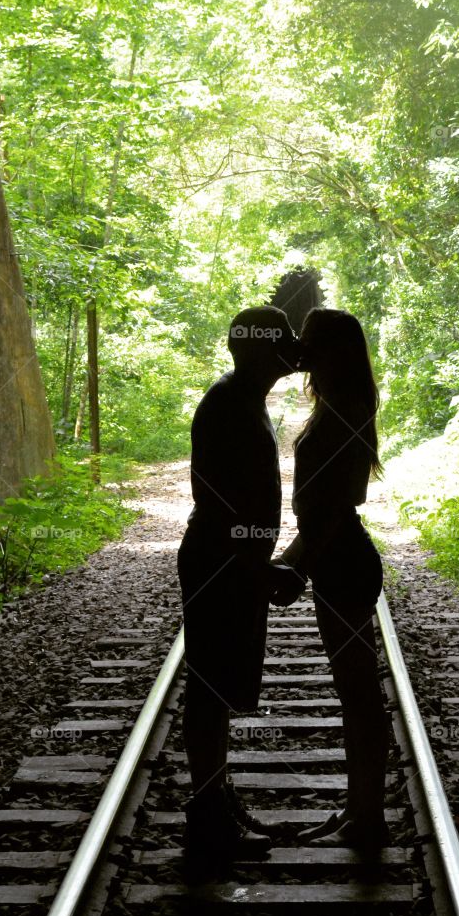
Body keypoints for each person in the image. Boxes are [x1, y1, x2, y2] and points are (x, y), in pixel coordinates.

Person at [177, 305, 300, 859]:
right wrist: (252, 564)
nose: (289, 353)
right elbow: (217, 500)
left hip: (228, 564)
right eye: (280, 344)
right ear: (254, 349)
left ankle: (214, 805)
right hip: (220, 565)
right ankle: (207, 816)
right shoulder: (228, 403)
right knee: (209, 689)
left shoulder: (240, 397)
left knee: (218, 688)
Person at [271, 308, 389, 851]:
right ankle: (361, 809)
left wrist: (295, 561)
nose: (302, 348)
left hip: (341, 561)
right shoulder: (338, 405)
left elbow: (336, 508)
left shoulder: (345, 409)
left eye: (311, 341)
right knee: (355, 691)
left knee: (359, 694)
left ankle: (366, 814)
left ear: (335, 351)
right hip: (336, 559)